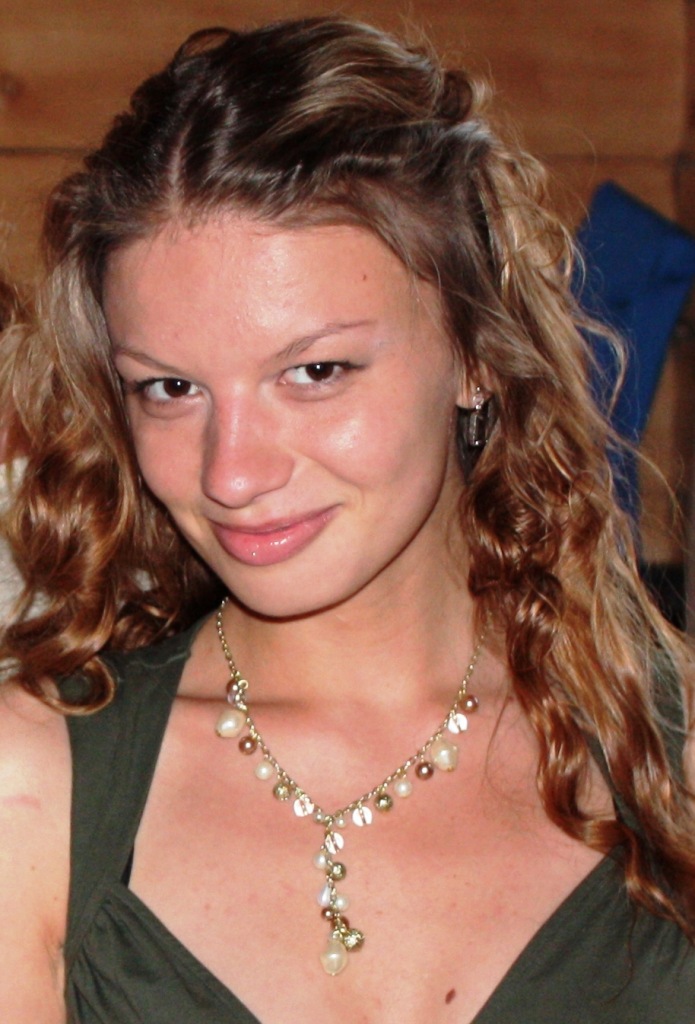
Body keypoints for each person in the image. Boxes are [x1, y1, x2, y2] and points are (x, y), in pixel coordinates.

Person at [0, 16, 693, 1024]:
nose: (232, 472)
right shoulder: (33, 788)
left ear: (474, 353)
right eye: (170, 389)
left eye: (315, 371)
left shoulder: (670, 755)